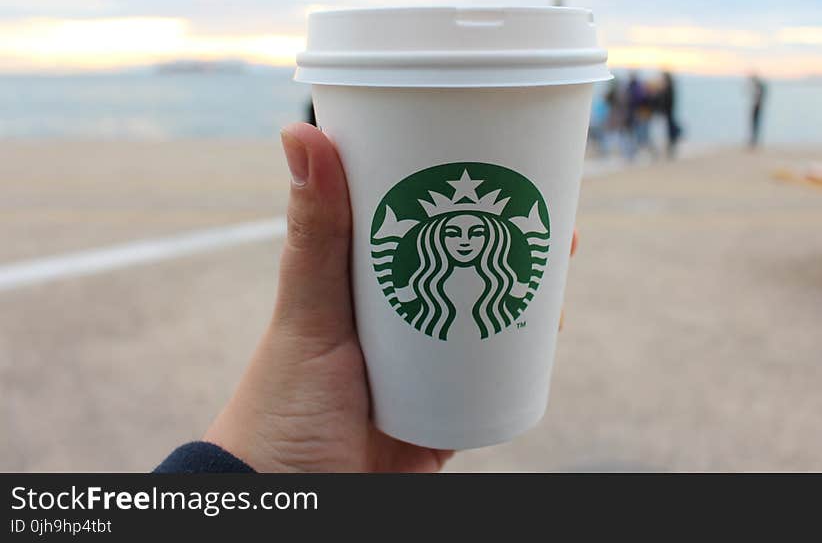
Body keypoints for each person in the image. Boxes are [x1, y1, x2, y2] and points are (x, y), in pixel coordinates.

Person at [155, 123, 579, 473]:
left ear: (497, 238)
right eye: (452, 231)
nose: (464, 241)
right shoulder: (423, 290)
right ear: (433, 238)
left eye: (477, 232)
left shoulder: (500, 289)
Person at [657, 71, 682, 158]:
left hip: (668, 113)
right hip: (668, 113)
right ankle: (669, 151)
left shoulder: (668, 89)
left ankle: (670, 151)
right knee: (668, 133)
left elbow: (667, 102)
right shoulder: (668, 89)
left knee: (669, 133)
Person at [748, 74, 766, 149]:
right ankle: (754, 140)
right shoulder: (758, 86)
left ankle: (754, 141)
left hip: (757, 107)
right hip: (757, 106)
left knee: (755, 124)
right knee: (754, 124)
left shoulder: (759, 87)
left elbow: (758, 97)